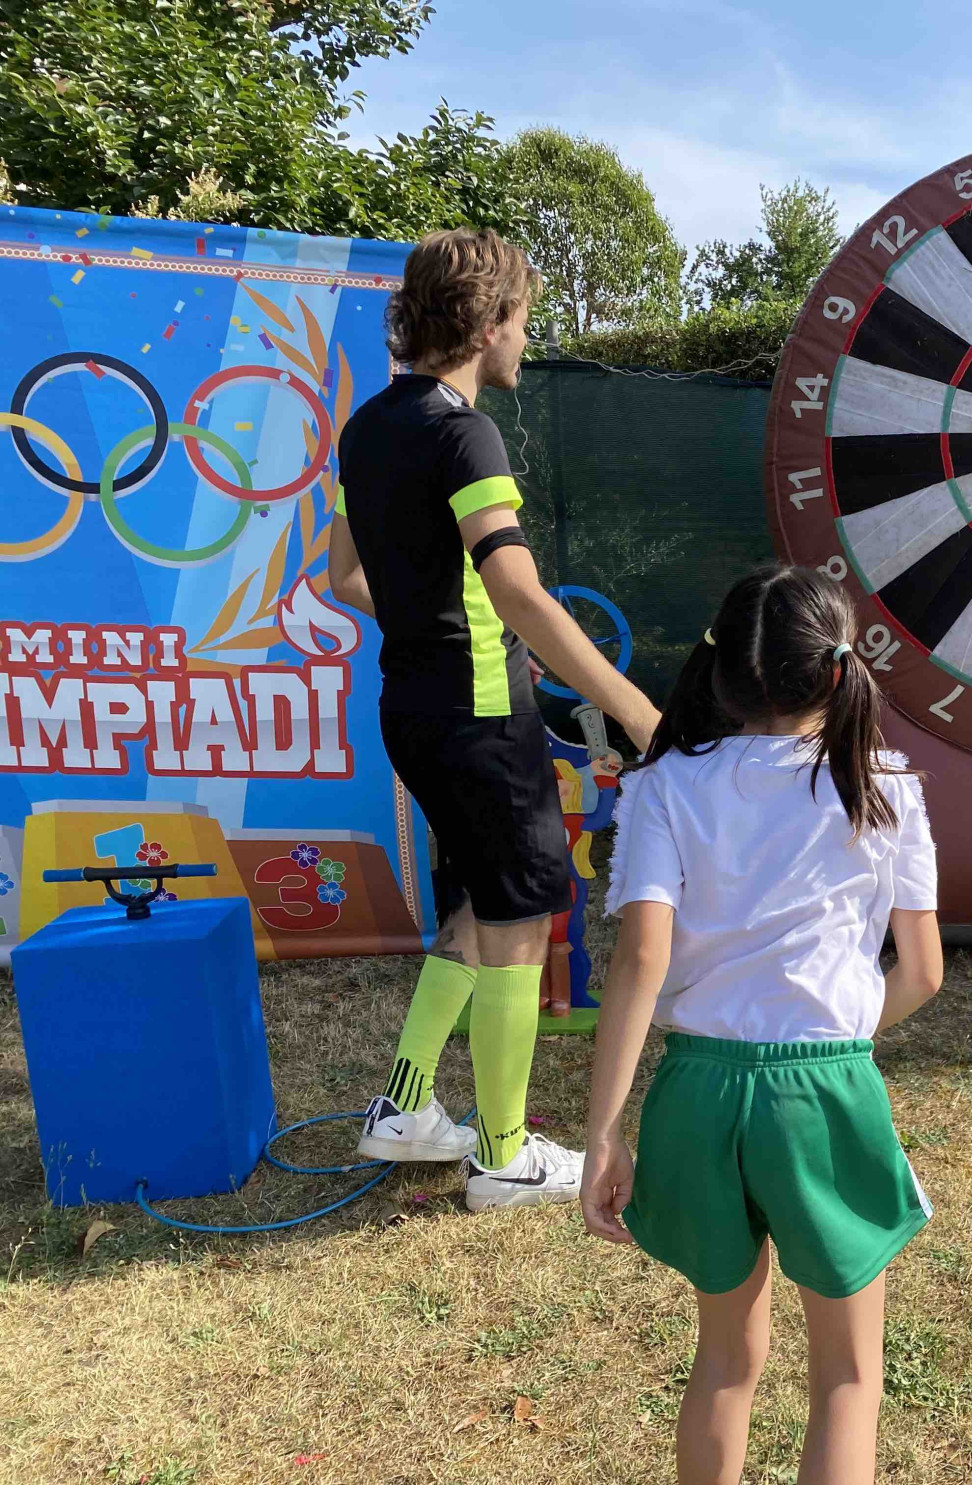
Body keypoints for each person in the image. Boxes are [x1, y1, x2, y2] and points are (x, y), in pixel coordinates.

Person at [580, 565, 943, 1485]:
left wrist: (602, 1130)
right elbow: (925, 970)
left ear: (720, 670)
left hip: (696, 1090)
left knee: (726, 1362)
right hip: (825, 1088)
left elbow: (641, 958)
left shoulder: (665, 785)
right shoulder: (887, 783)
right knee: (849, 1378)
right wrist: (844, 1039)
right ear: (836, 671)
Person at [328, 228, 661, 1212]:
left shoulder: (367, 427)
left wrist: (433, 628)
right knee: (520, 918)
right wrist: (633, 707)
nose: (525, 338)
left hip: (412, 710)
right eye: (522, 319)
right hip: (478, 717)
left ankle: (404, 1112)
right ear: (488, 323)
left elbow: (343, 575)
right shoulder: (464, 432)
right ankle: (506, 1157)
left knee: (481, 905)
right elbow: (515, 591)